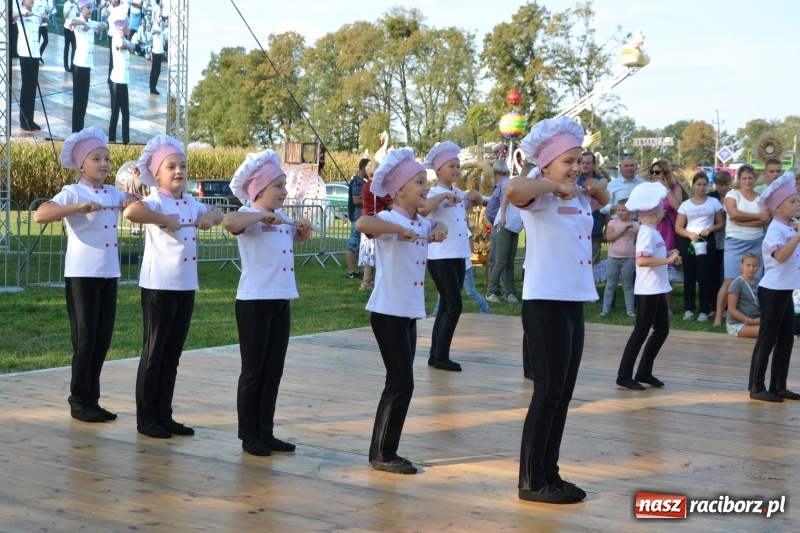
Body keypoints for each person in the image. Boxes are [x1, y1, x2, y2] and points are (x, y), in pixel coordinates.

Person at [507, 116, 609, 504]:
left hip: (571, 302)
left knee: (562, 394)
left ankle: (550, 472)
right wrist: (555, 184)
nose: (576, 166)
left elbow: (605, 199)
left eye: (579, 159)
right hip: (544, 301)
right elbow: (513, 187)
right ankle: (531, 481)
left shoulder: (577, 195)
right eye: (567, 160)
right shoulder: (541, 195)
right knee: (546, 392)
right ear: (546, 165)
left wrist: (593, 189)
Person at [33, 127, 137, 422]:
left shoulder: (112, 193)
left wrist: (133, 194)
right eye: (96, 158)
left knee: (102, 337)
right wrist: (76, 206)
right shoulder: (73, 191)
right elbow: (41, 214)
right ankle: (78, 400)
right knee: (86, 337)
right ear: (81, 165)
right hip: (82, 274)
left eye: (106, 158)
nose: (104, 163)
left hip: (108, 273)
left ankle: (92, 399)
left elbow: (132, 201)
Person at [123, 135, 224, 438]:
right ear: (158, 173)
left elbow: (218, 212)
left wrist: (211, 219)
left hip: (185, 286)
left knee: (172, 354)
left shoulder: (191, 202)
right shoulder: (156, 200)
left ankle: (164, 414)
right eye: (171, 166)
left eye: (182, 165)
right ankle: (146, 418)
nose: (178, 171)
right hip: (159, 286)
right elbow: (132, 212)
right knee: (154, 352)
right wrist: (163, 219)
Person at [354, 148, 448, 475]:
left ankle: (385, 450)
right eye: (420, 181)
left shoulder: (419, 220)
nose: (427, 187)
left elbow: (437, 226)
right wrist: (397, 230)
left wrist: (438, 229)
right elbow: (362, 222)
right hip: (387, 313)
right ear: (400, 190)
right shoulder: (391, 219)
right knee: (400, 383)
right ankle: (382, 453)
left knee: (401, 383)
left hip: (407, 315)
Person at [223, 150, 312, 457]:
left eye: (284, 186)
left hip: (280, 301)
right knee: (254, 370)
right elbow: (229, 221)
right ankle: (249, 435)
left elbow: (300, 239)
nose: (285, 192)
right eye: (279, 186)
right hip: (254, 302)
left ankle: (266, 431)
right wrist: (261, 215)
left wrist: (302, 228)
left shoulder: (282, 217)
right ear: (259, 190)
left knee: (273, 369)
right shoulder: (249, 215)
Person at [420, 141, 483, 372]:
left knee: (448, 306)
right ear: (438, 171)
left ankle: (436, 354)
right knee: (453, 305)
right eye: (451, 166)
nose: (456, 170)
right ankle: (440, 356)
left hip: (458, 255)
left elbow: (460, 210)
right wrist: (445, 196)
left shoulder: (456, 192)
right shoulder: (434, 192)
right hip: (441, 256)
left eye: (458, 166)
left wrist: (473, 198)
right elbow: (424, 209)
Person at [616, 182, 681, 391]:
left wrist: (670, 253)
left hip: (657, 288)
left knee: (661, 330)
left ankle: (644, 370)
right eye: (661, 208)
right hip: (648, 290)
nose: (664, 210)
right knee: (641, 332)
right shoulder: (646, 232)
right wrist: (668, 261)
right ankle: (624, 375)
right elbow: (642, 261)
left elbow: (654, 255)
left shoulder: (653, 232)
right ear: (655, 211)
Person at [748, 172, 800, 402]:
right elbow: (780, 256)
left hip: (785, 290)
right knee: (767, 338)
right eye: (792, 201)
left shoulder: (790, 228)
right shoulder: (775, 231)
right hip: (772, 291)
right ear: (777, 208)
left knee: (787, 338)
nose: (798, 204)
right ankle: (756, 386)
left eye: (797, 200)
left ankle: (778, 384)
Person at [713, 164, 769, 326]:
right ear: (739, 179)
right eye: (744, 178)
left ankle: (755, 316)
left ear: (755, 179)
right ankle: (718, 318)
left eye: (750, 178)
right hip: (734, 242)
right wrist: (757, 218)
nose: (747, 181)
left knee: (755, 280)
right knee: (729, 280)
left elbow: (763, 221)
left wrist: (743, 220)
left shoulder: (761, 198)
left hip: (756, 241)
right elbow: (734, 215)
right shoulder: (732, 194)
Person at [674, 172, 724, 321]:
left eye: (704, 184)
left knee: (705, 276)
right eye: (698, 184)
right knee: (689, 276)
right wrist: (690, 236)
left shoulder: (713, 202)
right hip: (690, 241)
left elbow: (721, 223)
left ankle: (704, 310)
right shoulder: (685, 205)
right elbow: (678, 227)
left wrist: (711, 229)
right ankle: (689, 309)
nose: (702, 188)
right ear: (693, 186)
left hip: (707, 240)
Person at [648, 160, 681, 313]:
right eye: (652, 172)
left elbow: (678, 207)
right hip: (653, 228)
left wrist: (666, 188)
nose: (654, 175)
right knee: (652, 264)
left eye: (657, 172)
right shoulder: (649, 188)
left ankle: (668, 307)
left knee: (665, 266)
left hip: (668, 230)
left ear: (665, 174)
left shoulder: (674, 188)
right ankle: (654, 303)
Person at [486, 162, 522, 303]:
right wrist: (502, 217)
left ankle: (510, 292)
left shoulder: (518, 184)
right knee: (500, 261)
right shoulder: (509, 184)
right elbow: (504, 201)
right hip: (504, 225)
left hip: (514, 227)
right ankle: (490, 292)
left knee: (509, 262)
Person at [70, 0, 107, 133]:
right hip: (79, 65)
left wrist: (103, 24)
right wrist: (83, 23)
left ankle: (80, 129)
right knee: (78, 100)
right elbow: (71, 22)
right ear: (81, 9)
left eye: (91, 8)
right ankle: (75, 130)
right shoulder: (79, 22)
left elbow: (102, 24)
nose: (90, 10)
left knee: (84, 100)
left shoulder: (91, 23)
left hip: (87, 65)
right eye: (87, 7)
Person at [601, 199, 638, 317]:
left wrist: (636, 230)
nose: (620, 212)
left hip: (628, 259)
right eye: (618, 210)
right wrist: (623, 228)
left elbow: (640, 237)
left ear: (630, 212)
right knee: (611, 285)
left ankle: (630, 310)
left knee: (627, 286)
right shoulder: (612, 223)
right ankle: (605, 309)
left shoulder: (635, 224)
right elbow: (610, 237)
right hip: (613, 259)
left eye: (623, 210)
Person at [358, 163, 392, 291]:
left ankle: (368, 281)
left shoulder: (366, 185)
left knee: (368, 253)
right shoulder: (377, 186)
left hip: (366, 220)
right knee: (374, 252)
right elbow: (391, 201)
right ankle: (367, 281)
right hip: (376, 221)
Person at [14, 0, 45, 131]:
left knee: (33, 86)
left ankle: (30, 119)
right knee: (26, 85)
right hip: (25, 52)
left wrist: (43, 18)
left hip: (35, 52)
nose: (32, 0)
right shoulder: (20, 11)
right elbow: (11, 16)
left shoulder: (36, 12)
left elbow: (42, 22)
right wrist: (23, 15)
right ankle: (23, 120)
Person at [108, 10, 133, 144]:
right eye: (127, 26)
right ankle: (111, 139)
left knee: (126, 113)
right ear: (122, 27)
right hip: (117, 81)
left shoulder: (123, 38)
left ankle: (126, 140)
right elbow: (121, 45)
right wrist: (130, 45)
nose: (129, 28)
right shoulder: (117, 38)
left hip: (124, 81)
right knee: (115, 112)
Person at [579, 151, 608, 264]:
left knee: (593, 261)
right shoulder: (575, 179)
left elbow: (605, 205)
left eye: (588, 163)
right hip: (578, 228)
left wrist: (607, 226)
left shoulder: (601, 179)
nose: (585, 165)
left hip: (595, 228)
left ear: (594, 165)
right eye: (582, 162)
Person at [726, 251, 762, 339]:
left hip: (755, 320)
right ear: (741, 265)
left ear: (759, 267)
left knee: (776, 328)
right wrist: (750, 321)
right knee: (766, 331)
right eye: (748, 265)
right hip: (737, 324)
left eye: (754, 266)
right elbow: (731, 309)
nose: (751, 268)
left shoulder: (759, 282)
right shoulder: (736, 283)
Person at [485, 160, 510, 280]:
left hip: (500, 224)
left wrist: (502, 218)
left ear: (495, 172)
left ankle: (494, 288)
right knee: (495, 258)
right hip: (497, 223)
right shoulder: (502, 184)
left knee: (497, 258)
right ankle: (494, 286)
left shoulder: (504, 185)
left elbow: (503, 204)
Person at [602, 155, 645, 221]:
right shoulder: (612, 185)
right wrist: (619, 207)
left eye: (632, 165)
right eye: (626, 166)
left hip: (639, 223)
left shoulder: (643, 183)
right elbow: (603, 208)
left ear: (636, 166)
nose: (629, 168)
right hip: (618, 224)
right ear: (620, 167)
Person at [345, 158, 368, 279]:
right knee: (352, 245)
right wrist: (370, 201)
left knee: (359, 246)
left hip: (361, 217)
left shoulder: (361, 181)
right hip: (357, 217)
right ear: (364, 168)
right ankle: (350, 272)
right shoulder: (357, 182)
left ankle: (361, 270)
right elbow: (356, 200)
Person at [149, 11, 164, 95]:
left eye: (161, 16)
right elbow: (153, 31)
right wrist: (156, 31)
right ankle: (152, 87)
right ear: (155, 17)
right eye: (159, 16)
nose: (160, 18)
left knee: (157, 70)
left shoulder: (159, 25)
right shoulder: (155, 25)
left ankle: (153, 86)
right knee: (155, 70)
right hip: (156, 52)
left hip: (159, 51)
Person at [62, 0, 79, 72]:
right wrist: (69, 9)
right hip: (67, 28)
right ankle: (66, 65)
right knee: (67, 46)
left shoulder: (76, 4)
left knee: (74, 47)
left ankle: (73, 65)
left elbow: (77, 14)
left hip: (74, 28)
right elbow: (65, 16)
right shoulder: (66, 4)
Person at [36, 0, 54, 64]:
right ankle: (35, 56)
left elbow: (49, 10)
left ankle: (39, 54)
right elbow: (34, 11)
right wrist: (41, 15)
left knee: (46, 40)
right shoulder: (36, 1)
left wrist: (48, 12)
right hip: (38, 24)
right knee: (37, 41)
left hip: (44, 24)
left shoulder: (45, 1)